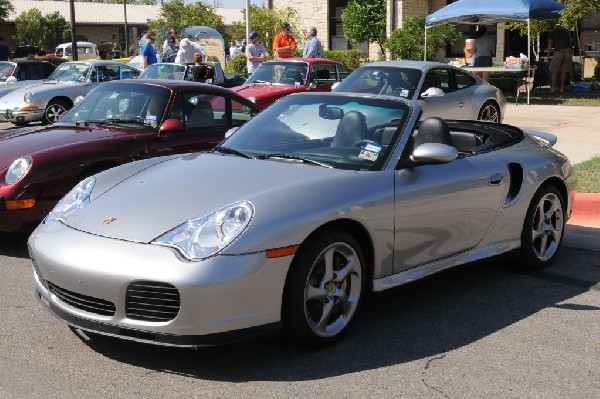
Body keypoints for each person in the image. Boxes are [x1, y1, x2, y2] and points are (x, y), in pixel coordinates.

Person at [547, 23, 573, 93]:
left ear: (555, 28)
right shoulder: (566, 31)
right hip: (568, 51)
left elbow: (550, 44)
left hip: (558, 52)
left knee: (554, 71)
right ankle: (561, 88)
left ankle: (553, 89)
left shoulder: (552, 32)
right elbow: (571, 41)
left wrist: (548, 56)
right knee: (563, 71)